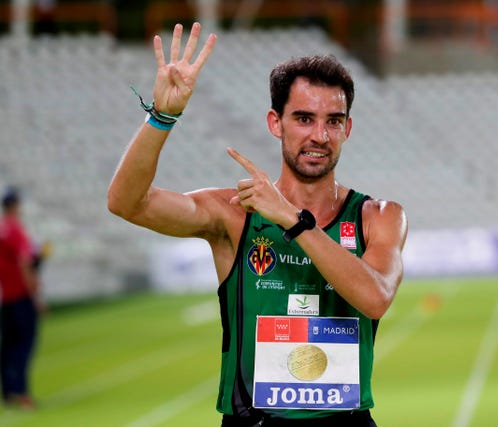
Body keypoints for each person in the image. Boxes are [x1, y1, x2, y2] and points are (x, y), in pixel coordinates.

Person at [108, 22, 407, 426]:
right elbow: (127, 203)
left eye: (333, 121)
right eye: (303, 118)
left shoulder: (379, 216)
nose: (319, 135)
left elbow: (376, 298)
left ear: (347, 129)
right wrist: (163, 116)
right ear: (275, 123)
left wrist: (293, 220)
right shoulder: (234, 212)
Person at [0, 188, 42, 410]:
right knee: (24, 345)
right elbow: (25, 262)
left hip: (5, 297)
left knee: (7, 346)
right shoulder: (16, 230)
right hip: (20, 295)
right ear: (16, 205)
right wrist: (36, 295)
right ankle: (22, 392)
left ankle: (7, 391)